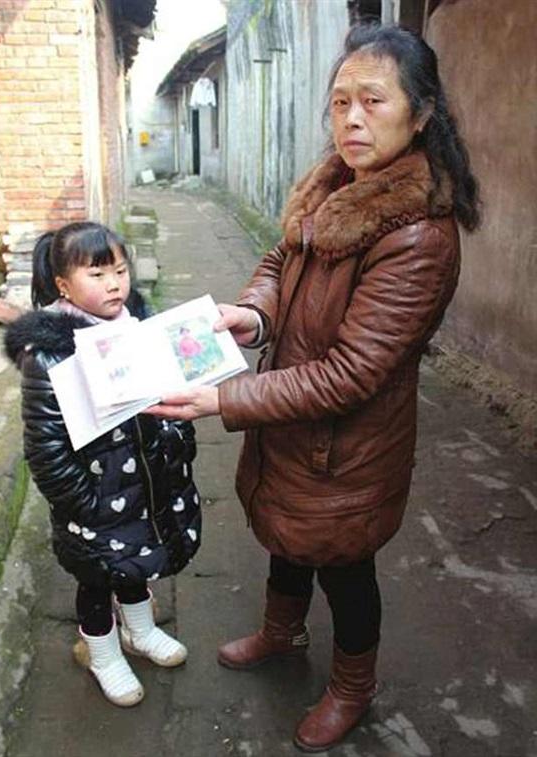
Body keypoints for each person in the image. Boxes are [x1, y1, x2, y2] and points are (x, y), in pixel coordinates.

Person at [146, 22, 480, 751]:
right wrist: (254, 314)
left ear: (421, 114)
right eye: (340, 102)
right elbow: (280, 258)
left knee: (345, 565)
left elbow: (352, 373)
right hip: (292, 420)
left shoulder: (419, 235)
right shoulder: (336, 183)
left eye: (373, 101)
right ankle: (281, 632)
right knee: (287, 535)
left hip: (348, 447)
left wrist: (223, 398)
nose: (352, 119)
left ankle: (353, 688)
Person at [5, 222, 202, 708]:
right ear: (63, 285)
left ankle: (139, 631)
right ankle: (102, 653)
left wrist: (178, 444)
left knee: (137, 562)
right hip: (95, 498)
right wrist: (85, 502)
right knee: (96, 580)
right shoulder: (50, 355)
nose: (115, 284)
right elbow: (45, 448)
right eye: (97, 274)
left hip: (145, 484)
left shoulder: (139, 328)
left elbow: (167, 397)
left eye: (120, 270)